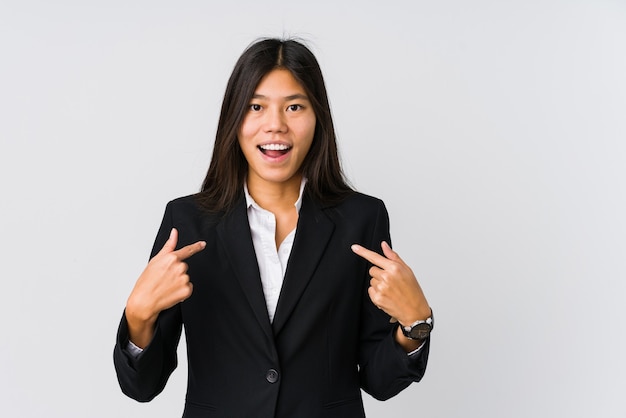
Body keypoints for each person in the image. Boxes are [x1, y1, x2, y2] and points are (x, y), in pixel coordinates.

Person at [113, 38, 433, 418]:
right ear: (234, 118)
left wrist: (415, 324)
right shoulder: (188, 222)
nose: (276, 125)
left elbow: (381, 382)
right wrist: (138, 316)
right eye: (256, 106)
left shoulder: (361, 219)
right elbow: (142, 386)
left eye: (294, 107)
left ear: (318, 117)